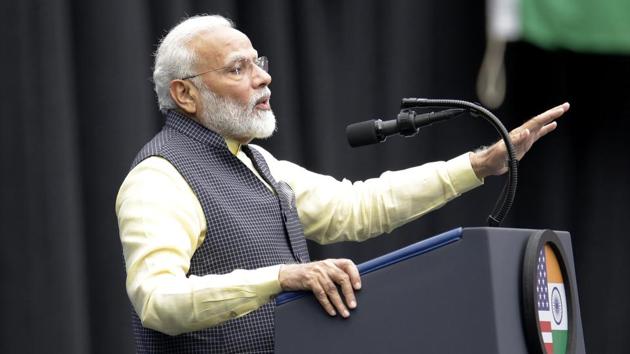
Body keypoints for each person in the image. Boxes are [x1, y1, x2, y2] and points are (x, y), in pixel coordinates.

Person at [115, 14, 569, 353]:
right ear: (185, 94)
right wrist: (281, 277)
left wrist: (477, 165)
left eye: (259, 62)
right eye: (238, 69)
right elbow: (158, 300)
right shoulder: (160, 177)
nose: (263, 77)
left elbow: (356, 208)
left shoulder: (257, 162)